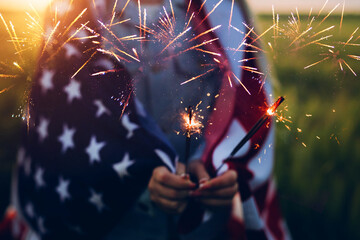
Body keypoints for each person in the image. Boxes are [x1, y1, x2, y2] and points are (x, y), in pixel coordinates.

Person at [0, 0, 290, 239]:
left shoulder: (224, 14)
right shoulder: (73, 17)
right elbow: (62, 122)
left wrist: (214, 166)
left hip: (204, 227)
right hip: (111, 222)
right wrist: (139, 172)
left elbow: (243, 103)